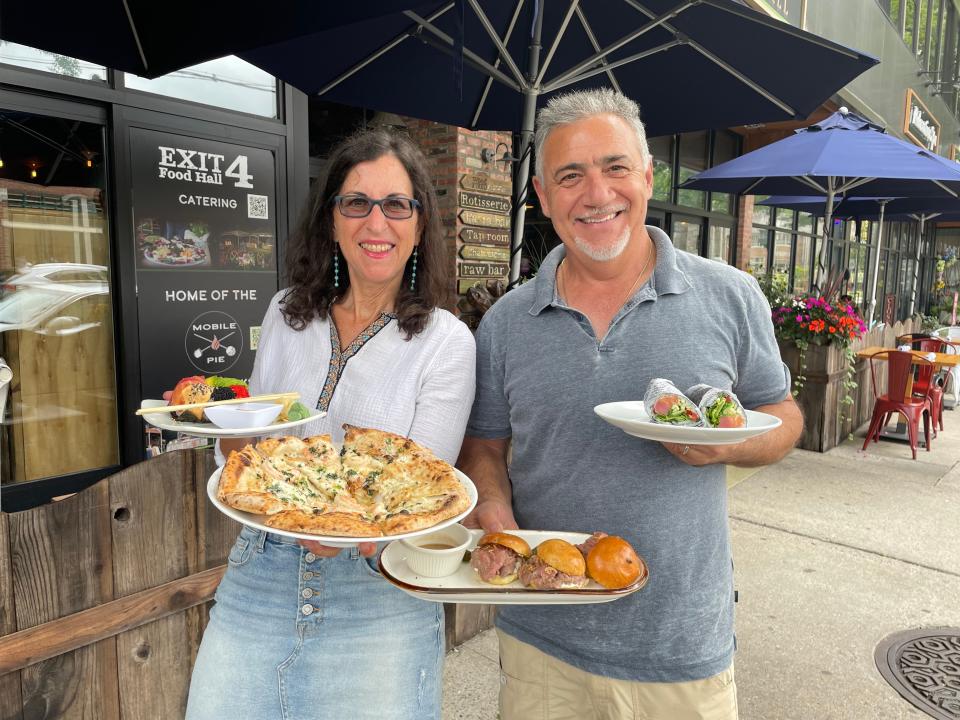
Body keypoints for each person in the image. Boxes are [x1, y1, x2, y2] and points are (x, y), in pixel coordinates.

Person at [458, 89, 803, 720]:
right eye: (570, 176)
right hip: (542, 641)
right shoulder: (506, 322)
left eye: (615, 168)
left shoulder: (730, 295)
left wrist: (730, 445)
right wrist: (492, 503)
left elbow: (783, 419)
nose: (596, 194)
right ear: (542, 197)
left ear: (647, 176)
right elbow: (483, 443)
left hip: (678, 648)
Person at [185, 128, 476, 720]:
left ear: (420, 225)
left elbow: (418, 487)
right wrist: (222, 426)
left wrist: (349, 524)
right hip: (260, 574)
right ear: (332, 219)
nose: (377, 222)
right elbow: (250, 455)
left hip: (380, 590)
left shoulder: (445, 341)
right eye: (356, 202)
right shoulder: (286, 313)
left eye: (396, 204)